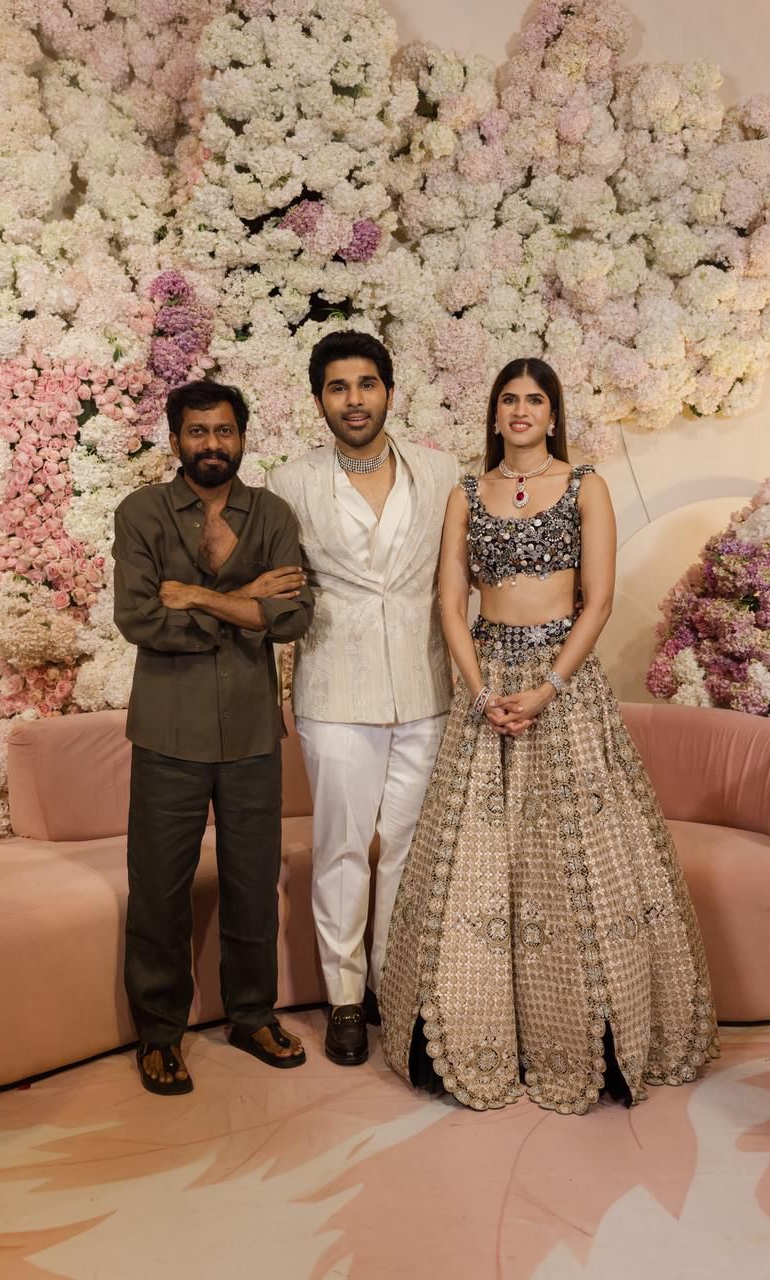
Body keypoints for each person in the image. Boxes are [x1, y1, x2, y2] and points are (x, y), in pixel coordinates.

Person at [379, 357, 720, 1115]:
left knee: (577, 859)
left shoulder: (586, 486)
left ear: (553, 413)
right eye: (509, 399)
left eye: (535, 399)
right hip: (489, 684)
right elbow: (450, 602)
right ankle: (476, 1031)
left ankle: (590, 1035)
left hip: (563, 689)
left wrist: (548, 687)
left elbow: (597, 602)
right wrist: (480, 692)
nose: (522, 411)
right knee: (477, 863)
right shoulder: (466, 494)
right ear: (495, 413)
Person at [113, 379, 314, 1095]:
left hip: (253, 732)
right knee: (159, 888)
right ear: (175, 440)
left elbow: (291, 618)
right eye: (197, 432)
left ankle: (252, 1016)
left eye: (224, 431)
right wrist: (245, 602)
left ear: (242, 437)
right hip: (168, 733)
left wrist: (198, 596)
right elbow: (140, 618)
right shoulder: (141, 513)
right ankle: (159, 1034)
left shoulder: (273, 515)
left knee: (252, 884)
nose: (211, 444)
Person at [266, 330, 459, 1066]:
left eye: (367, 384)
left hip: (425, 686)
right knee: (342, 847)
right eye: (339, 387)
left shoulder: (441, 472)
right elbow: (279, 583)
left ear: (389, 391)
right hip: (335, 688)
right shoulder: (292, 482)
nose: (355, 400)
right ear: (319, 399)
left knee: (409, 848)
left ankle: (393, 986)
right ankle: (345, 997)